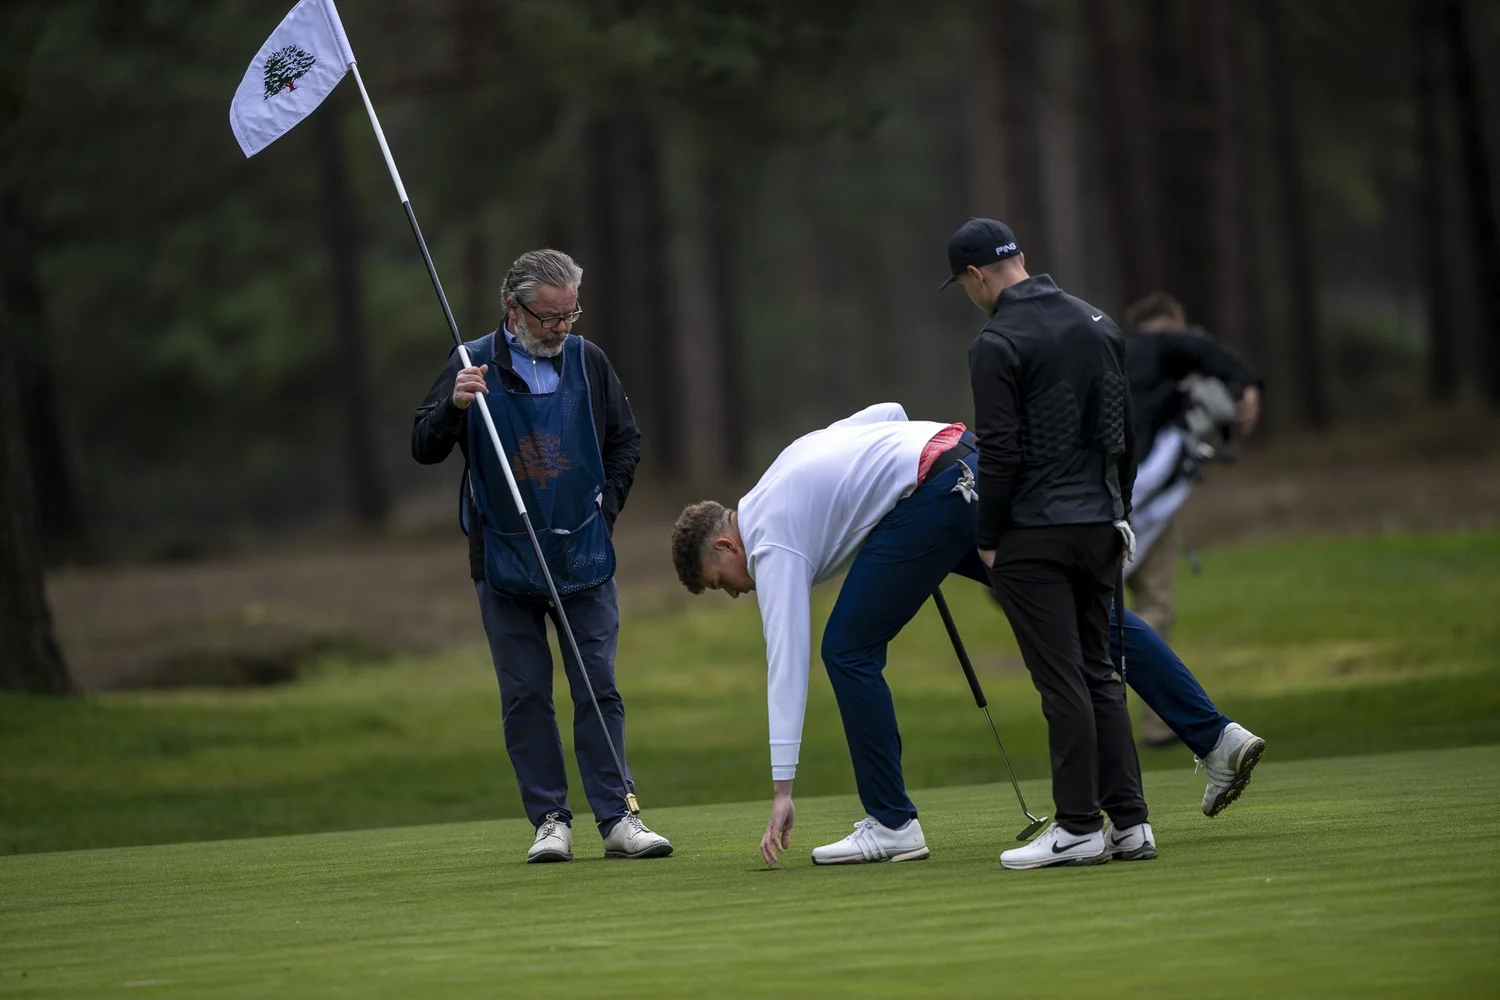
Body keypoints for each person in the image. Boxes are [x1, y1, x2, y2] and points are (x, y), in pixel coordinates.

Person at [669, 403, 1263, 868]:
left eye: (721, 583)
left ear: (725, 544)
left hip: (935, 497)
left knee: (846, 650)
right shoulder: (779, 472)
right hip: (970, 463)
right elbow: (891, 413)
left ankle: (892, 824)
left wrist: (782, 791)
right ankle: (1216, 737)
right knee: (1079, 614)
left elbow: (786, 664)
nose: (735, 593)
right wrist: (893, 495)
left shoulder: (769, 542)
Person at [411, 248, 671, 864]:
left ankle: (619, 816)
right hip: (503, 556)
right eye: (548, 317)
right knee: (526, 693)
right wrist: (453, 407)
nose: (560, 328)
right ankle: (551, 820)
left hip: (582, 551)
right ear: (514, 308)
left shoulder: (588, 360)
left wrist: (605, 513)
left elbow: (624, 441)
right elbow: (423, 445)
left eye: (568, 315)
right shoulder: (470, 362)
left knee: (598, 686)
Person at [946, 217, 1151, 870]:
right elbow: (1127, 435)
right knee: (1099, 673)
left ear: (975, 276)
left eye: (964, 286)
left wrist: (986, 537)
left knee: (1062, 681)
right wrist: (1119, 510)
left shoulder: (996, 342)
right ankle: (1130, 824)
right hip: (1100, 525)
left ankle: (1078, 826)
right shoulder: (1099, 323)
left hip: (1034, 532)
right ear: (1021, 258)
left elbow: (1001, 451)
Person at [1123, 292, 1263, 747]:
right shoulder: (1162, 349)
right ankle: (1155, 723)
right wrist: (1247, 383)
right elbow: (1205, 353)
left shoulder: (1113, 360)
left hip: (1115, 507)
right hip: (1141, 507)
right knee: (1150, 614)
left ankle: (1131, 725)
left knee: (1117, 617)